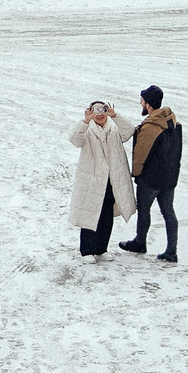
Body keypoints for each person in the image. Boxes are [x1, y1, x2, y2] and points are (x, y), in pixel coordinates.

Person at [119, 86, 183, 261]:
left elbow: (141, 154)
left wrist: (136, 174)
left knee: (144, 211)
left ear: (147, 104)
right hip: (169, 179)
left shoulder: (150, 127)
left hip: (151, 179)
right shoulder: (172, 122)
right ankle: (171, 250)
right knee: (168, 212)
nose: (140, 103)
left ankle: (140, 242)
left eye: (142, 100)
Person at [67, 100, 136, 258]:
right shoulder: (86, 129)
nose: (99, 114)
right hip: (92, 180)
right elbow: (74, 139)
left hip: (111, 180)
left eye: (102, 110)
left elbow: (129, 130)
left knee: (106, 215)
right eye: (95, 110)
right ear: (90, 112)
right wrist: (85, 121)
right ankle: (87, 251)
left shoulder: (114, 127)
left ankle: (101, 249)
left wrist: (115, 116)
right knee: (90, 214)